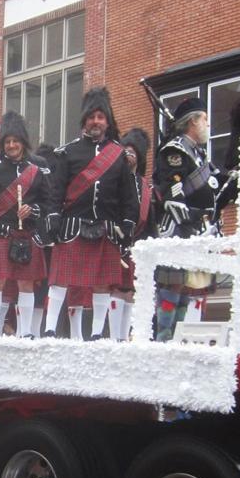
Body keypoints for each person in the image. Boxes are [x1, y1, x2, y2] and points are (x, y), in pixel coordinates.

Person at [41, 87, 137, 339]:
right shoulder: (67, 152)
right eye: (92, 117)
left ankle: (96, 333)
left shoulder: (118, 156)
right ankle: (50, 329)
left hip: (105, 227)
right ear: (84, 120)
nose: (96, 121)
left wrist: (128, 222)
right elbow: (55, 191)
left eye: (101, 117)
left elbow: (129, 195)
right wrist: (52, 216)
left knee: (102, 282)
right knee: (59, 280)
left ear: (107, 122)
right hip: (72, 226)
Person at [0, 111, 49, 338]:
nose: (11, 145)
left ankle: (25, 333)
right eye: (7, 142)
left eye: (15, 141)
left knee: (26, 283)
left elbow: (49, 202)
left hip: (26, 232)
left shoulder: (39, 167)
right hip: (0, 233)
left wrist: (33, 211)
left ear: (23, 141)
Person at [152, 98, 225, 341]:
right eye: (204, 118)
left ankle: (177, 338)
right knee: (173, 285)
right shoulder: (175, 150)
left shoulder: (198, 153)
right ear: (193, 120)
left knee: (186, 287)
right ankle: (163, 337)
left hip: (196, 228)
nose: (208, 123)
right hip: (178, 227)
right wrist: (193, 216)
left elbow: (215, 185)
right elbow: (173, 194)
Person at [106, 127, 154, 341]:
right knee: (114, 290)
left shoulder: (146, 187)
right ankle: (114, 337)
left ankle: (124, 338)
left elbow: (150, 221)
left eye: (133, 151)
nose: (129, 154)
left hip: (136, 244)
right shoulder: (112, 180)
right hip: (113, 239)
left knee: (130, 292)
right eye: (125, 150)